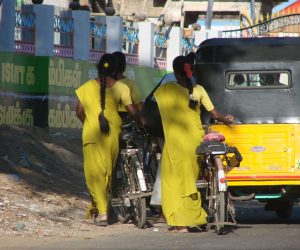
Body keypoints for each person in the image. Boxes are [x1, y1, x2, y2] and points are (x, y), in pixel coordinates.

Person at [153, 55, 234, 233]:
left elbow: (152, 109)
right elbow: (214, 114)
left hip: (174, 143)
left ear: (175, 73)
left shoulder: (166, 90)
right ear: (191, 72)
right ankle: (189, 219)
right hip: (195, 143)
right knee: (189, 181)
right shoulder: (199, 90)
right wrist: (225, 119)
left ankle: (179, 222)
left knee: (171, 182)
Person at [75, 53, 143, 226]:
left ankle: (103, 212)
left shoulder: (85, 87)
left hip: (91, 135)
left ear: (98, 68)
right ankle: (105, 209)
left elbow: (79, 112)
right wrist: (142, 124)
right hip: (112, 136)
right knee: (107, 173)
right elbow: (132, 111)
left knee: (93, 175)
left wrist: (89, 123)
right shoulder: (122, 88)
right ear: (115, 70)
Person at [112, 51, 143, 123]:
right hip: (125, 124)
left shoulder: (103, 83)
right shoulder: (130, 84)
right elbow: (140, 107)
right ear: (124, 66)